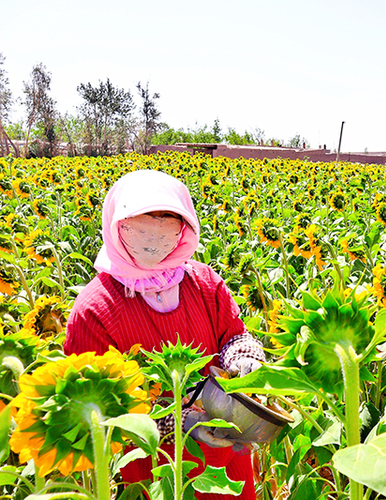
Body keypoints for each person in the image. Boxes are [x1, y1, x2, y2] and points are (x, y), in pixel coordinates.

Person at [64, 170, 265, 500]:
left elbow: (234, 335)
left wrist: (246, 359)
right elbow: (99, 414)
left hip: (228, 465)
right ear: (117, 224)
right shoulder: (95, 309)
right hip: (154, 475)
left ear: (183, 227)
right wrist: (180, 422)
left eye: (166, 222)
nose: (153, 235)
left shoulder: (203, 283)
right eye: (141, 223)